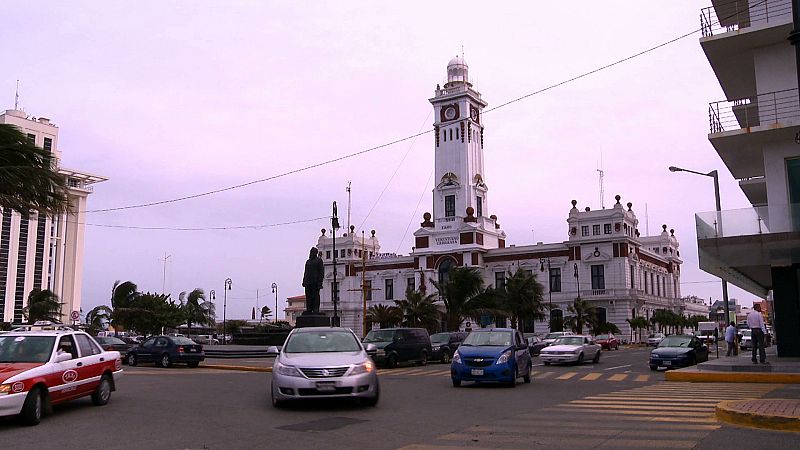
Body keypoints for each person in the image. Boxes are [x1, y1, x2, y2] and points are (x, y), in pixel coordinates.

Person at [302, 247, 324, 314]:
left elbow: (321, 272)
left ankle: (315, 309)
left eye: (313, 252)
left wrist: (320, 282)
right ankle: (309, 309)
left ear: (316, 253)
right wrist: (304, 280)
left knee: (315, 296)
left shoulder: (319, 261)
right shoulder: (308, 261)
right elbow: (305, 272)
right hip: (308, 282)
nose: (311, 253)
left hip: (315, 282)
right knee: (308, 296)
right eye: (311, 252)